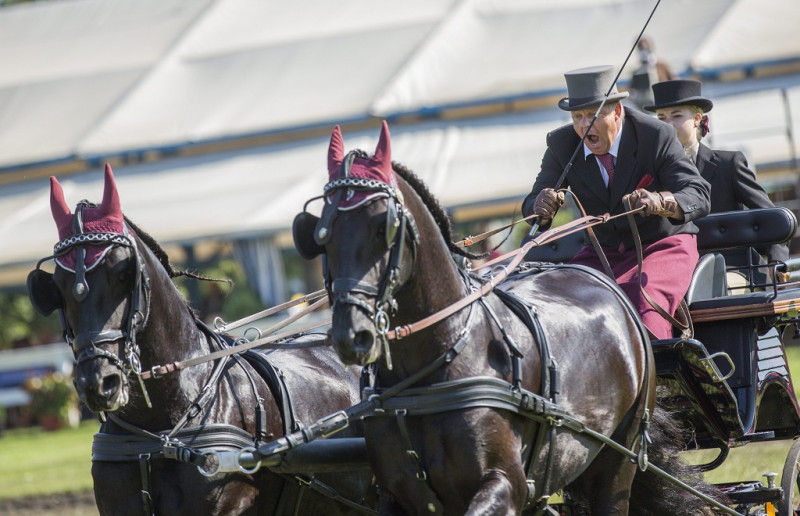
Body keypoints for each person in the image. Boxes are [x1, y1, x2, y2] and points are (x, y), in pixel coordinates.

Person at [521, 65, 711, 340]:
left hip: (663, 245)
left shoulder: (654, 135)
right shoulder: (561, 145)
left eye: (593, 115)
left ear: (617, 112)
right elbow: (532, 203)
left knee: (639, 300)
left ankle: (662, 368)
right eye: (577, 116)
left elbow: (698, 193)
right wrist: (540, 206)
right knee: (561, 301)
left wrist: (661, 201)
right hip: (603, 252)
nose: (584, 125)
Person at [643, 79, 791, 281]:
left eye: (676, 116)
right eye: (661, 118)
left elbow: (770, 215)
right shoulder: (652, 171)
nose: (668, 125)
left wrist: (777, 261)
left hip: (734, 269)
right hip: (677, 273)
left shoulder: (728, 164)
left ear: (697, 119)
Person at [628, 36, 677, 110]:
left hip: (664, 103)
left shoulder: (662, 66)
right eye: (641, 49)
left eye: (646, 49)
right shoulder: (637, 72)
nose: (644, 52)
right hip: (647, 107)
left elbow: (675, 81)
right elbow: (633, 91)